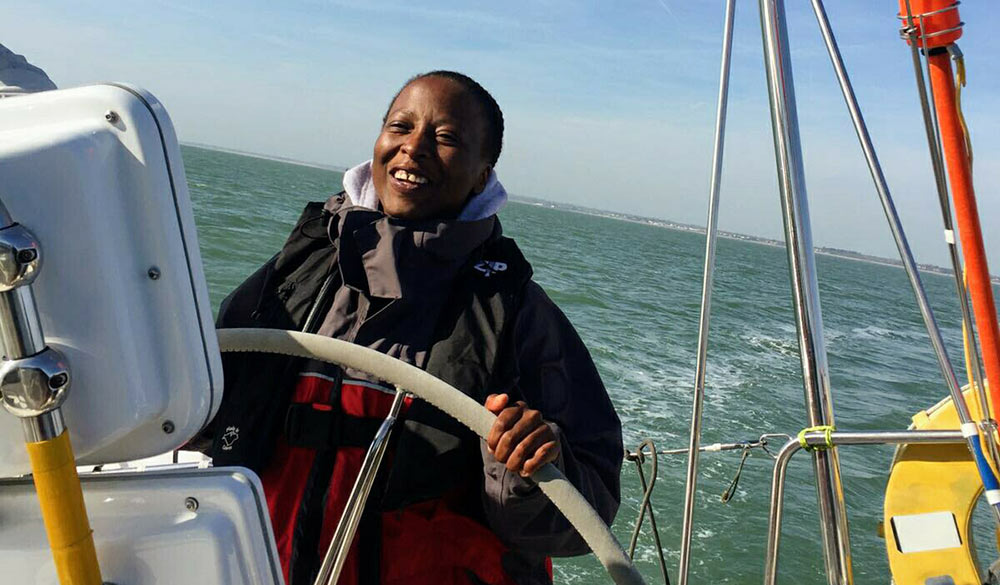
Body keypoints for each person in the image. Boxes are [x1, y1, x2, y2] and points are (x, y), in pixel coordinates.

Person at [201, 71, 623, 585]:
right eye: (399, 126)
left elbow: (586, 514)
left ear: (482, 173)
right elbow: (200, 394)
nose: (413, 147)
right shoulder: (297, 269)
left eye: (445, 138)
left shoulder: (516, 313)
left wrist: (526, 467)